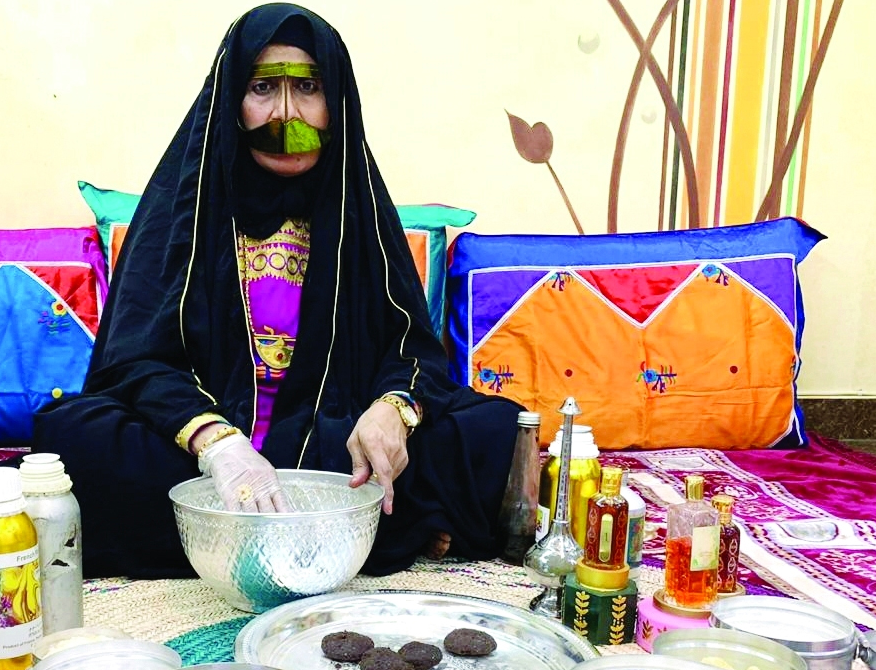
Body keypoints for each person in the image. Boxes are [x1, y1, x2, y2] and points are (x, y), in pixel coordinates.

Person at [33, 2, 523, 580]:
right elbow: (135, 361)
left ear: (337, 102)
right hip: (198, 452)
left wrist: (392, 411)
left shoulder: (359, 207)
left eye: (308, 88)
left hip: (332, 440)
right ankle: (372, 531)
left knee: (495, 429)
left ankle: (224, 537)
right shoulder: (182, 207)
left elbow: (410, 350)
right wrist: (218, 445)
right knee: (69, 436)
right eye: (263, 88)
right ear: (231, 101)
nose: (286, 115)